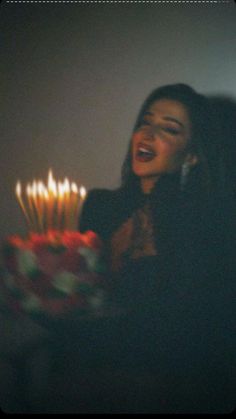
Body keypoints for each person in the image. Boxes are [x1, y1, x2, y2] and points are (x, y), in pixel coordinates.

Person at [76, 84, 235, 413]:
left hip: (167, 383)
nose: (148, 134)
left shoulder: (204, 222)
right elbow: (78, 294)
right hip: (88, 370)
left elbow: (195, 323)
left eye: (168, 129)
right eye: (145, 123)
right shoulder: (100, 206)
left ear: (191, 153)